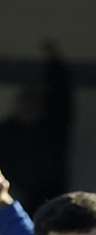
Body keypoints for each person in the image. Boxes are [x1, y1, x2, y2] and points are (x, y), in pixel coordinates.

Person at [0, 40, 72, 214]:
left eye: (33, 103)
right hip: (11, 195)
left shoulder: (51, 129)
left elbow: (63, 98)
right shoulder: (8, 131)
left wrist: (54, 63)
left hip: (48, 198)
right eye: (25, 103)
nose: (28, 107)